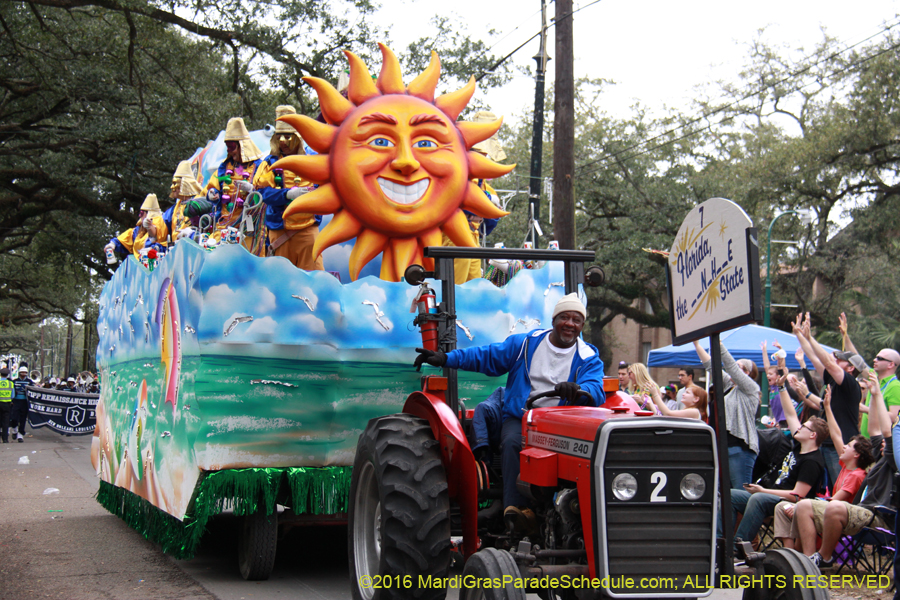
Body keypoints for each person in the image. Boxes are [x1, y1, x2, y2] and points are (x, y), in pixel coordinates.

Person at [413, 293, 605, 533]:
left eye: (576, 320)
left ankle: (573, 512)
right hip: (524, 417)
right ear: (554, 320)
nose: (570, 324)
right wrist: (445, 358)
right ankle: (516, 512)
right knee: (513, 441)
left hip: (560, 423)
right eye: (564, 317)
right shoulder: (526, 344)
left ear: (582, 325)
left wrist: (578, 390)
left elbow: (596, 388)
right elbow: (486, 356)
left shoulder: (588, 357)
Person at [792, 369, 894, 568]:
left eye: (888, 443)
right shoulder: (876, 459)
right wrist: (874, 395)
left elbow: (886, 431)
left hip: (878, 518)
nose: (883, 443)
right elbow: (869, 429)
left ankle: (824, 557)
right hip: (859, 512)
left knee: (835, 506)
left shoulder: (893, 460)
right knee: (803, 506)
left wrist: (878, 396)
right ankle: (808, 560)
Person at [727, 369, 827, 547]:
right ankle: (722, 541)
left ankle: (738, 547)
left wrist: (763, 491)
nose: (799, 427)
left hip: (785, 503)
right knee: (730, 495)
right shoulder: (799, 446)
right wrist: (781, 388)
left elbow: (797, 495)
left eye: (804, 427)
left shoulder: (812, 460)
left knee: (758, 499)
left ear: (812, 435)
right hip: (770, 496)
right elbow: (790, 414)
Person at [773, 384, 873, 549]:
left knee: (801, 508)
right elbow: (836, 435)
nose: (843, 447)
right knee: (784, 507)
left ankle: (808, 556)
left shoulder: (856, 475)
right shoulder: (846, 466)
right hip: (830, 511)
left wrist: (801, 505)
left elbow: (834, 501)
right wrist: (827, 408)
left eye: (848, 446)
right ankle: (791, 553)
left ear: (856, 455)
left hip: (841, 517)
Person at [792, 312, 861, 485]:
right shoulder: (833, 380)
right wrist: (801, 336)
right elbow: (814, 358)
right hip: (826, 443)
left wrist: (810, 338)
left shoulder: (850, 383)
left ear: (851, 368)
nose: (835, 360)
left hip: (841, 445)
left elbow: (828, 363)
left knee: (840, 485)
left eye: (840, 360)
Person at [253, 105, 324, 270]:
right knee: (280, 278)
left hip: (308, 231)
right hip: (280, 231)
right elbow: (263, 193)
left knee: (313, 279)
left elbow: (325, 189)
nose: (282, 141)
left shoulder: (314, 160)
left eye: (287, 136)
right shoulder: (269, 163)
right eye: (279, 136)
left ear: (297, 137)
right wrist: (287, 195)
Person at [694, 339, 761, 488]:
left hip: (739, 448)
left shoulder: (751, 389)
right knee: (722, 494)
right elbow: (711, 366)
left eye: (740, 367)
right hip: (723, 446)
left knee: (740, 492)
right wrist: (696, 344)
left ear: (747, 374)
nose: (734, 370)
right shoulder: (729, 387)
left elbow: (731, 367)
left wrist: (718, 342)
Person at [204, 117, 264, 241]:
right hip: (224, 226)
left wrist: (252, 190)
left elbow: (266, 194)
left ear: (242, 146)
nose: (229, 151)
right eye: (227, 147)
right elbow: (212, 189)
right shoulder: (224, 167)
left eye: (232, 146)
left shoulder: (259, 167)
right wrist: (212, 194)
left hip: (248, 228)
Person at [105, 194, 169, 261]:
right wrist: (113, 244)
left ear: (149, 214)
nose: (139, 216)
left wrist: (154, 249)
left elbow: (164, 245)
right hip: (138, 265)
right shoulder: (137, 231)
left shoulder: (162, 227)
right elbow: (124, 240)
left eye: (141, 213)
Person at [163, 160, 205, 241]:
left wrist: (192, 234)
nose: (171, 187)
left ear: (184, 184)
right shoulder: (174, 209)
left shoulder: (199, 203)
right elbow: (161, 225)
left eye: (175, 183)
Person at [10, 366, 33, 442]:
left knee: (23, 419)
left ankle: (20, 435)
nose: (23, 374)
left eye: (25, 373)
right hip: (16, 401)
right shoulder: (15, 381)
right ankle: (14, 430)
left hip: (25, 402)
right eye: (22, 372)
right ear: (19, 373)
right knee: (14, 418)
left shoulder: (29, 382)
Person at [0, 368, 12, 443]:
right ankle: (5, 439)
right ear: (7, 375)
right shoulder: (11, 383)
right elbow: (13, 395)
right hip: (7, 404)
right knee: (5, 422)